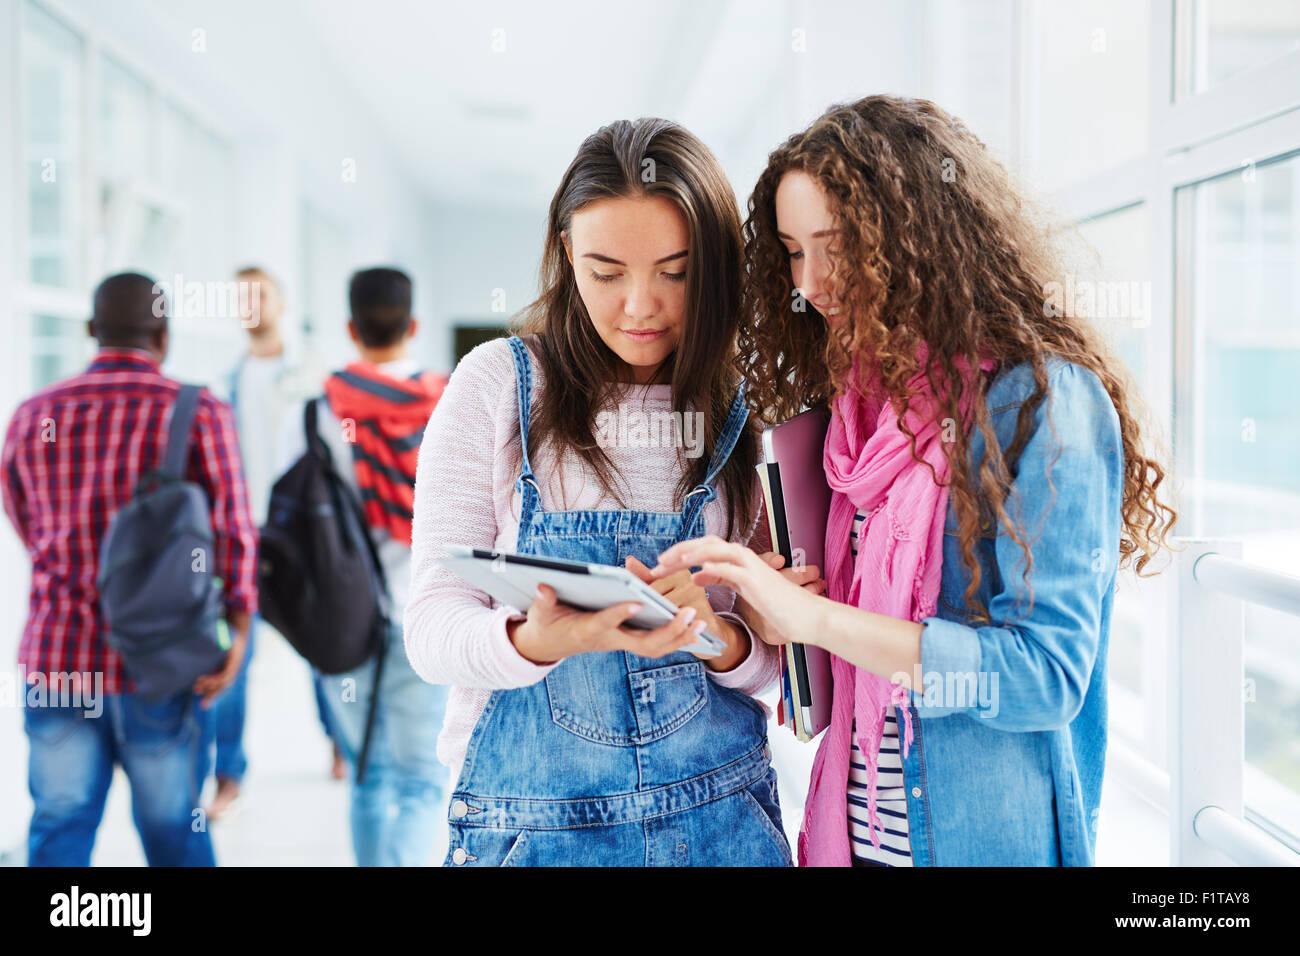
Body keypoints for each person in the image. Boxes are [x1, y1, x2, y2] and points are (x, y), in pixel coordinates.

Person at [651, 95, 1178, 867]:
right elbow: (861, 647)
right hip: (850, 839)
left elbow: (1043, 679)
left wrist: (815, 621)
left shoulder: (1045, 404)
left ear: (918, 238)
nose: (812, 284)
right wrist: (781, 618)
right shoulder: (849, 421)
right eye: (794, 252)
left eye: (836, 247)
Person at [404, 118, 818, 867]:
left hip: (720, 820)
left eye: (675, 270)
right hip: (535, 831)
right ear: (567, 253)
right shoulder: (499, 386)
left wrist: (719, 639)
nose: (639, 306)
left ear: (718, 265)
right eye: (605, 271)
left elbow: (772, 669)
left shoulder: (747, 413)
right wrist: (535, 643)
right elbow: (431, 627)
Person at [2, 272, 258, 866]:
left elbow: (26, 523)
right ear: (163, 335)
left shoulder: (33, 414)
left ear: (93, 331)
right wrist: (239, 635)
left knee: (59, 827)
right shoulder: (198, 412)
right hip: (164, 663)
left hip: (58, 657)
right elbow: (233, 535)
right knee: (174, 832)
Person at [277, 266, 450, 866]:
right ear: (415, 325)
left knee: (368, 775)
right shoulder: (449, 402)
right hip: (428, 610)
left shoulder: (318, 409)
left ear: (351, 328)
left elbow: (287, 518)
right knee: (422, 780)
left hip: (341, 612)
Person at [200, 265, 341, 826]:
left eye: (261, 295)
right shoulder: (223, 384)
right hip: (240, 537)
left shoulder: (314, 374)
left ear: (282, 302)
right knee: (231, 657)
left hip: (300, 535)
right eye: (242, 298)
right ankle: (229, 775)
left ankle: (340, 743)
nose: (251, 306)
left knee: (323, 647)